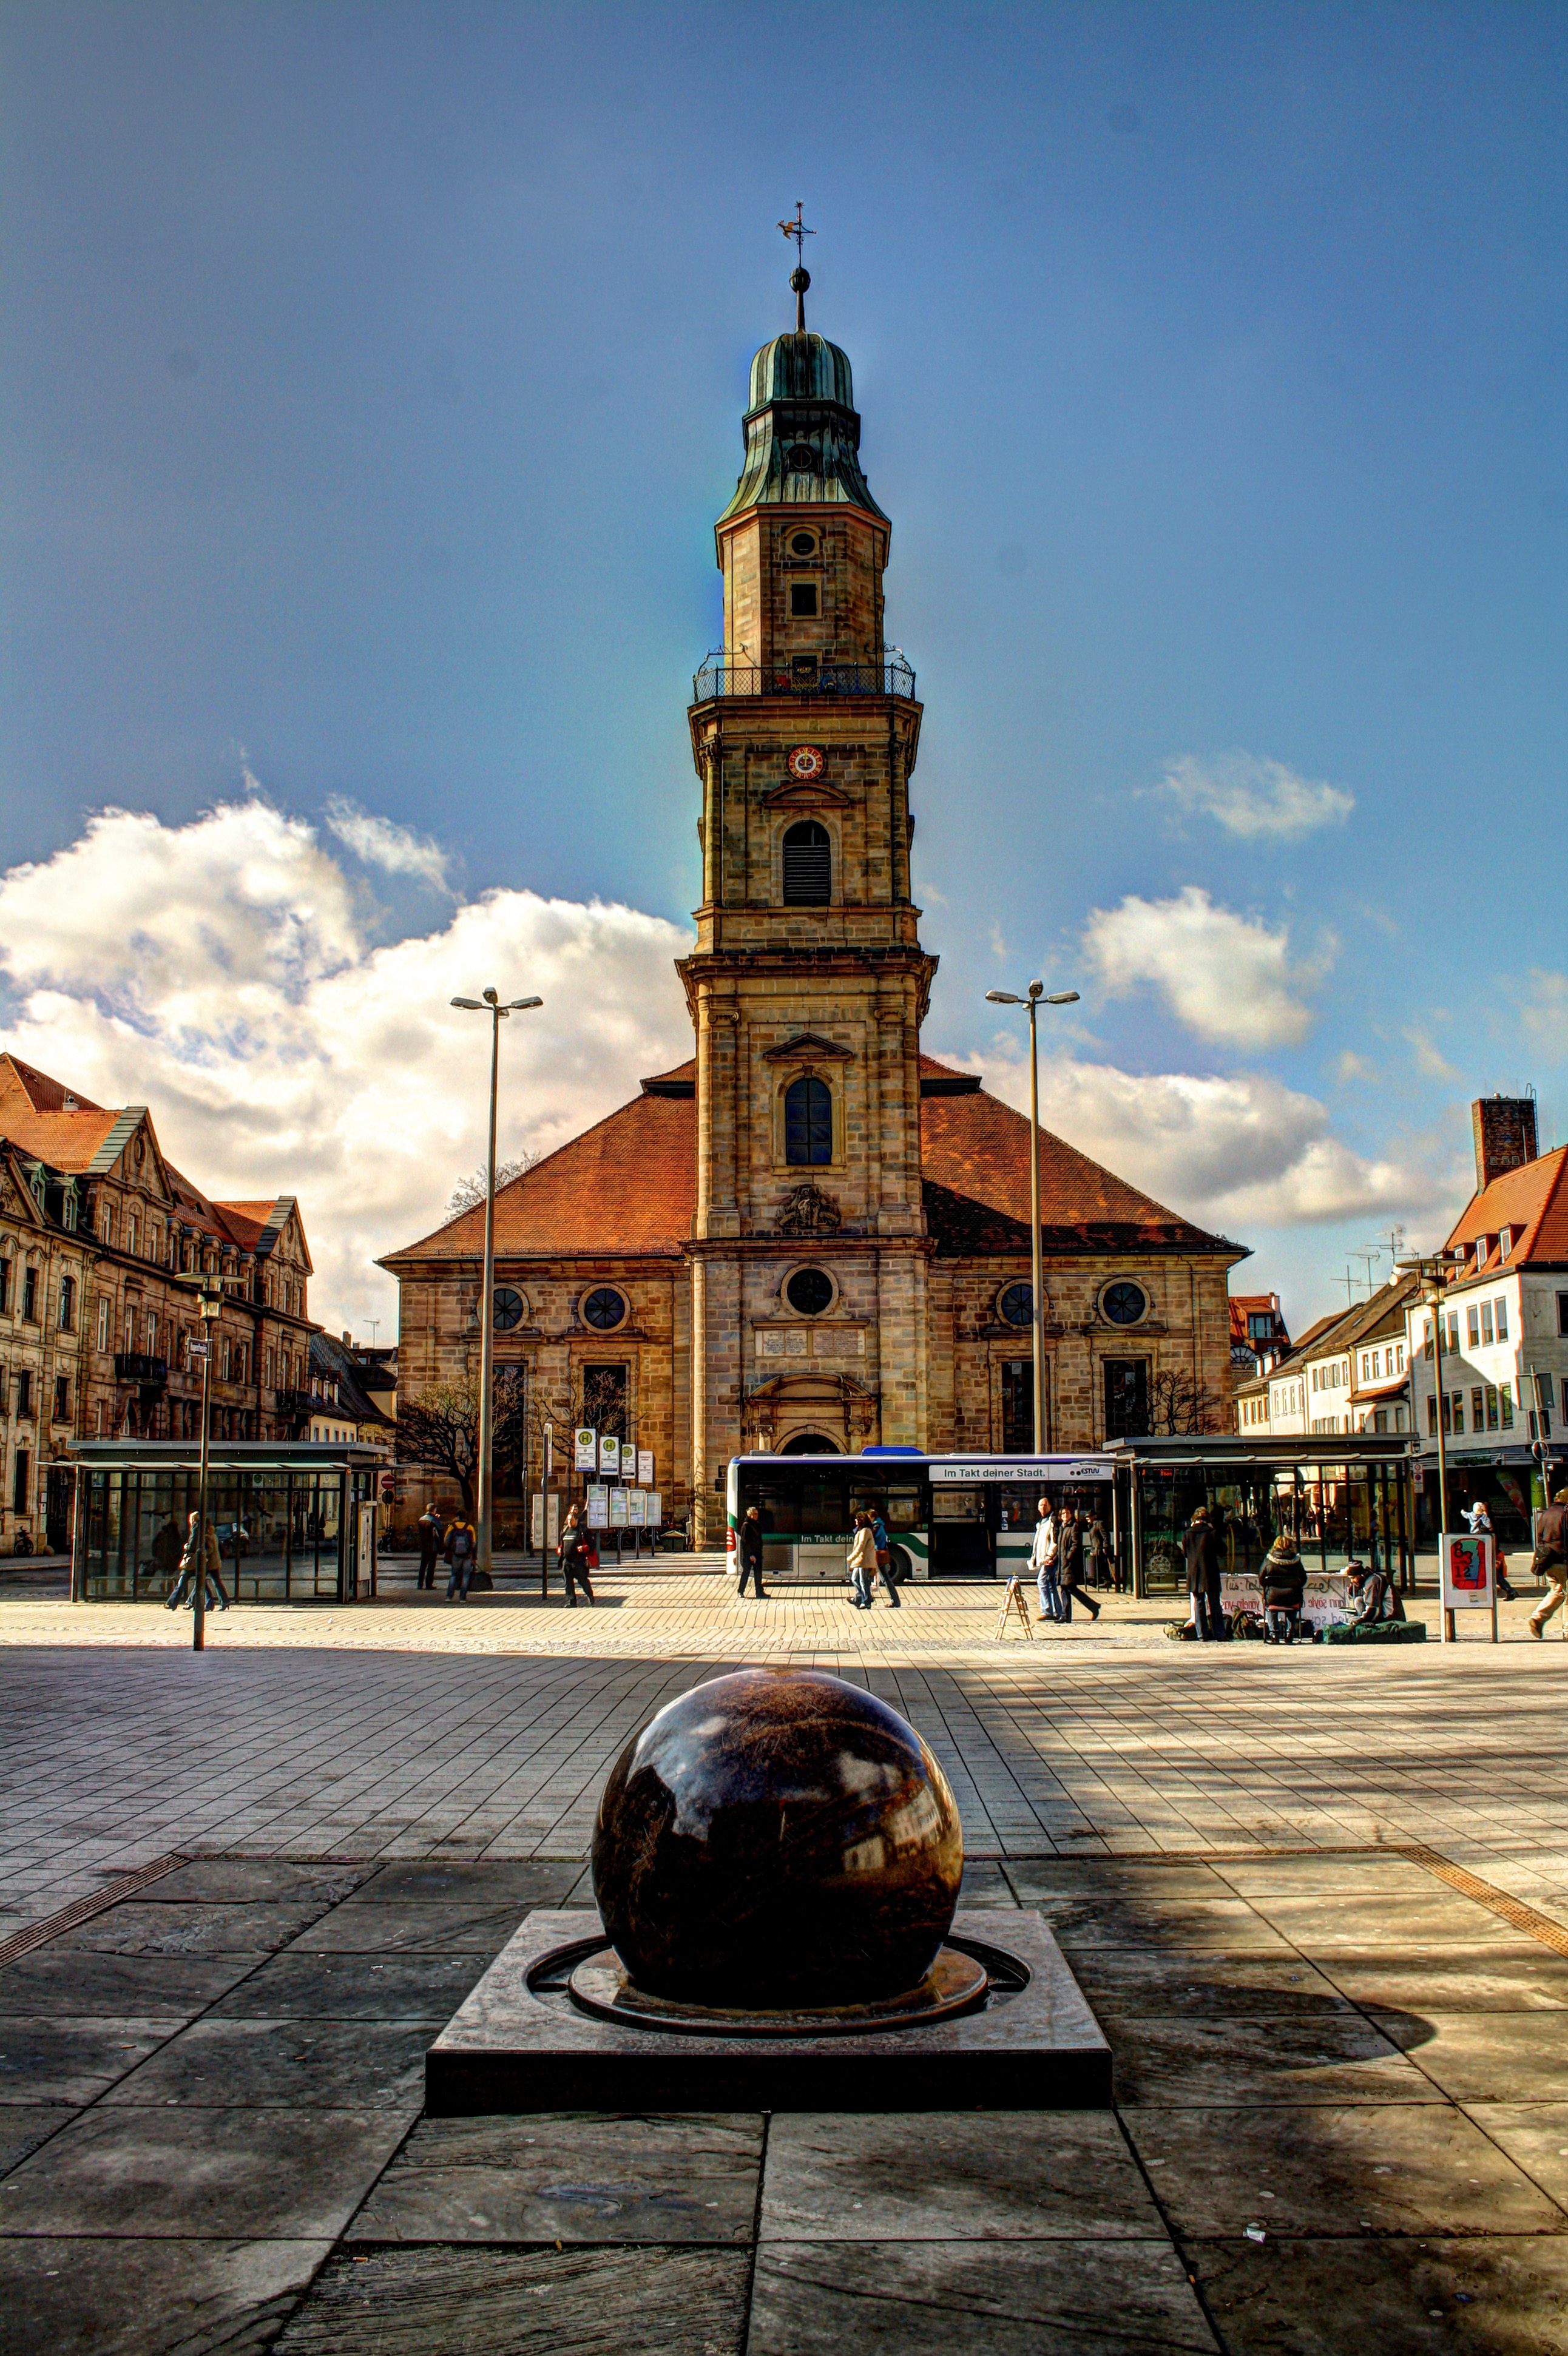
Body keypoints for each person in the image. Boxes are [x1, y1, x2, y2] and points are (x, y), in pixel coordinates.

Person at [165, 1510, 230, 1613]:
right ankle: (216, 1602)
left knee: (202, 1583)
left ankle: (203, 1603)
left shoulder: (204, 1534)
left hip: (208, 1563)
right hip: (213, 1563)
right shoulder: (212, 1534)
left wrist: (190, 1548)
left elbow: (208, 1549)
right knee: (207, 1582)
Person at [1527, 1489, 1568, 1638]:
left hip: (1549, 1560)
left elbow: (1539, 1537)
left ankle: (1538, 1619)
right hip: (1564, 1559)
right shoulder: (1566, 1512)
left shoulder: (1546, 1513)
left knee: (1557, 1591)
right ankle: (1567, 1630)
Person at [1183, 1505, 1222, 1641]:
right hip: (1210, 1572)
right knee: (1215, 1603)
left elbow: (1185, 1553)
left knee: (1199, 1602)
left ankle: (1202, 1634)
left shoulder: (1188, 1534)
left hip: (1195, 1573)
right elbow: (1223, 1551)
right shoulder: (1212, 1532)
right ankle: (1219, 1633)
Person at [1056, 1506, 1101, 1622]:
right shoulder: (1062, 1528)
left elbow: (1076, 1544)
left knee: (1069, 1588)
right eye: (1063, 1514)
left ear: (1071, 1514)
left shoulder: (1074, 1526)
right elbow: (1060, 1547)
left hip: (1070, 1563)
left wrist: (1068, 1557)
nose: (1065, 1516)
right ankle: (1066, 1616)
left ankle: (1093, 1606)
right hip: (1063, 1563)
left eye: (1067, 1513)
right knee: (1065, 1588)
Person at [1464, 1499, 1515, 1602]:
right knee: (1489, 1572)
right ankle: (1508, 1590)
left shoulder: (1487, 1520)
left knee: (1489, 1572)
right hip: (1488, 1549)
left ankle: (1508, 1590)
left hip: (1487, 1549)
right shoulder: (1486, 1519)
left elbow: (1487, 1533)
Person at [1260, 1531, 1306, 1644]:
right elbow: (1304, 1579)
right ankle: (1290, 1633)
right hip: (1293, 1598)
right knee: (1292, 1597)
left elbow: (1262, 1579)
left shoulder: (1268, 1561)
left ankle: (1274, 1634)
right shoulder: (1297, 1562)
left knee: (1270, 1605)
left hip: (1273, 1598)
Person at [1031, 1497, 1063, 1624]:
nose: (1042, 1508)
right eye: (1040, 1505)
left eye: (1045, 1505)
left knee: (1042, 1580)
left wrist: (1050, 1556)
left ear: (1050, 1506)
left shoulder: (1052, 1520)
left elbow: (1054, 1540)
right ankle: (1058, 1611)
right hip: (1045, 1559)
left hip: (1050, 1559)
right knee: (1050, 1585)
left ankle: (1047, 1611)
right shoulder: (1041, 1521)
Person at [1344, 1558, 1405, 1625]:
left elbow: (1373, 1607)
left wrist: (1361, 1621)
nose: (1352, 1581)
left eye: (1353, 1578)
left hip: (1391, 1617)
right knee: (1358, 1600)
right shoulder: (1368, 1579)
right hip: (1382, 1612)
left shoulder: (1373, 1581)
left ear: (1361, 1575)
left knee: (1353, 1620)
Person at [556, 1503, 596, 1607]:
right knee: (568, 1583)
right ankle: (572, 1601)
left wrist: (583, 1548)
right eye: (568, 1521)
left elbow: (591, 1545)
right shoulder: (566, 1531)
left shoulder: (581, 1531)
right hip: (567, 1561)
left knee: (583, 1581)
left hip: (578, 1561)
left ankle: (590, 1596)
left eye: (572, 1521)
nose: (570, 1523)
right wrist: (560, 1550)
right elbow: (562, 1544)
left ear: (576, 1520)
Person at [847, 1512, 878, 1610]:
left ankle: (866, 1602)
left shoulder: (865, 1531)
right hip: (860, 1560)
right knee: (855, 1579)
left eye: (857, 1519)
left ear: (861, 1520)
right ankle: (863, 1597)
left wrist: (851, 1557)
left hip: (865, 1560)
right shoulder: (862, 1530)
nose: (855, 1521)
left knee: (863, 1581)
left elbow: (861, 1546)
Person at [445, 1514, 478, 1602]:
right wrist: (474, 1556)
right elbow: (474, 1543)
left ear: (457, 1517)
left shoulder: (452, 1526)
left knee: (454, 1575)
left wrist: (451, 1548)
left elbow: (446, 1540)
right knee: (466, 1576)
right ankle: (462, 1598)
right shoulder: (470, 1527)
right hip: (468, 1555)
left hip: (456, 1554)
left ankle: (449, 1597)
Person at [737, 1505, 768, 1599]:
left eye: (757, 1514)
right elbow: (745, 1543)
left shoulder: (757, 1524)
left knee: (758, 1574)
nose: (757, 1515)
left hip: (758, 1554)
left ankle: (759, 1592)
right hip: (749, 1555)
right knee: (746, 1573)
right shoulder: (746, 1526)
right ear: (750, 1514)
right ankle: (741, 1591)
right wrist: (750, 1555)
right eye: (755, 1514)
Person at [416, 1503, 444, 1592]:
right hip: (433, 1546)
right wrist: (442, 1545)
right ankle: (429, 1584)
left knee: (423, 1565)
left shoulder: (421, 1519)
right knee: (431, 1566)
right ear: (434, 1510)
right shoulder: (434, 1520)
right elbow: (439, 1533)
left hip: (424, 1545)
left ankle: (420, 1584)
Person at [1084, 1510, 1110, 1591]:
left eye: (1089, 1517)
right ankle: (1095, 1580)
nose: (1087, 1519)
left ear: (1094, 1516)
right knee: (1095, 1564)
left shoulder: (1099, 1524)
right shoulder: (1091, 1526)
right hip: (1094, 1549)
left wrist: (1105, 1547)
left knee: (1101, 1565)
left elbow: (1106, 1536)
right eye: (1087, 1518)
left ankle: (1104, 1580)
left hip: (1100, 1549)